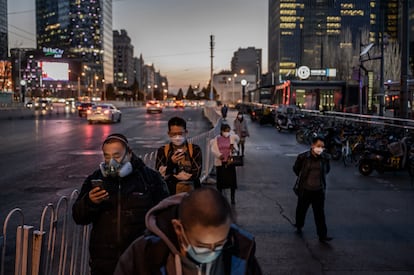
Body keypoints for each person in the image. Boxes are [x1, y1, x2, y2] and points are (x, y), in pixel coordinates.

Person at [72, 133, 169, 275]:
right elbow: (78, 216)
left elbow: (165, 217)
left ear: (129, 153)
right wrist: (90, 202)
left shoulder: (150, 179)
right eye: (107, 156)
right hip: (104, 264)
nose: (111, 162)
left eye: (117, 156)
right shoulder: (95, 179)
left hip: (140, 260)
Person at [114, 187, 263, 275]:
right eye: (202, 245)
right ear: (179, 228)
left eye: (219, 244)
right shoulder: (145, 255)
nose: (212, 252)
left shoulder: (240, 249)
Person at [293, 135, 332, 242]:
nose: (320, 148)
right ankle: (299, 225)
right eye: (318, 146)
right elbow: (296, 169)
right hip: (305, 189)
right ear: (312, 145)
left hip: (319, 190)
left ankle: (322, 235)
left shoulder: (325, 158)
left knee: (319, 214)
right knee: (301, 210)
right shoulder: (303, 157)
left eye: (322, 147)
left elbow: (327, 170)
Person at [156, 116, 202, 195]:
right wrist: (171, 163)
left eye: (180, 134)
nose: (177, 137)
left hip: (191, 195)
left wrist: (171, 174)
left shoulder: (194, 149)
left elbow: (196, 173)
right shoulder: (163, 150)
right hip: (170, 194)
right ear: (169, 134)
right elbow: (159, 175)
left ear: (186, 132)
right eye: (174, 134)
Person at [210, 123, 240, 205]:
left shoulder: (232, 138)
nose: (227, 132)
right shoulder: (216, 139)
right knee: (220, 182)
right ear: (222, 131)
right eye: (226, 131)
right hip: (221, 163)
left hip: (230, 163)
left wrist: (234, 149)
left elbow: (236, 149)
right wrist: (219, 155)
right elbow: (213, 149)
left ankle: (232, 198)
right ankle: (220, 198)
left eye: (228, 131)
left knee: (232, 182)